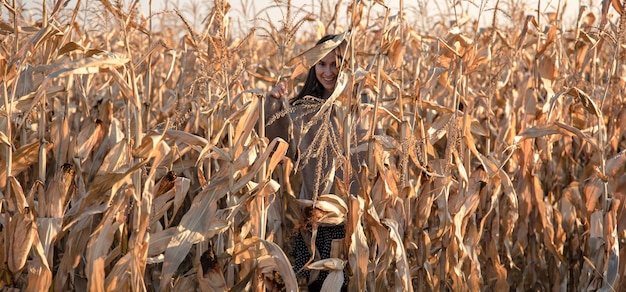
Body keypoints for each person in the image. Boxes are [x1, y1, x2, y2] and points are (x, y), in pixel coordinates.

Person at [264, 34, 351, 291]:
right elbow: (281, 146)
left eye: (334, 64)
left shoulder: (356, 107)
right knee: (312, 284)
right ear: (313, 67)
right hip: (313, 216)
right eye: (322, 64)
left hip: (348, 217)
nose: (328, 71)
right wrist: (274, 103)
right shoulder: (303, 108)